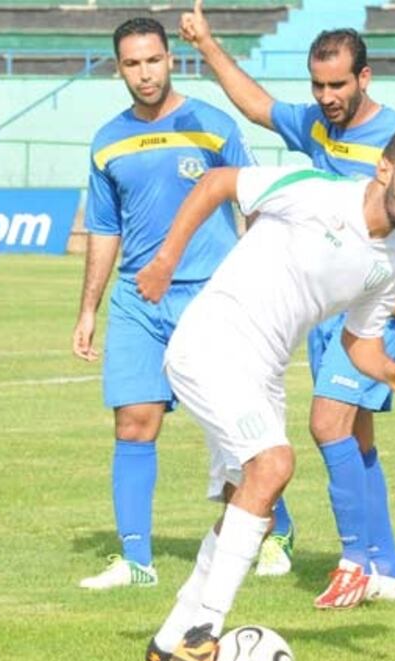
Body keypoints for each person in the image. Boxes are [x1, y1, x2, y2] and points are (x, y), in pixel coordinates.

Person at [180, 0, 395, 606]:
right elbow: (257, 105)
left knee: (326, 422)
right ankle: (387, 566)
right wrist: (207, 46)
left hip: (377, 297)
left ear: (364, 79)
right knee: (355, 434)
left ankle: (355, 561)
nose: (326, 95)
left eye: (337, 84)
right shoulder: (316, 124)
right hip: (322, 301)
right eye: (317, 84)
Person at [137, 123, 395, 661]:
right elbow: (216, 183)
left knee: (249, 499)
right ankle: (204, 631)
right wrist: (167, 261)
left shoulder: (392, 260)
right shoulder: (315, 192)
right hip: (214, 339)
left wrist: (393, 371)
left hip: (264, 369)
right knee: (275, 465)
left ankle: (171, 638)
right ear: (386, 169)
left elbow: (361, 344)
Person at [71, 18, 261, 591]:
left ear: (170, 59)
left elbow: (254, 208)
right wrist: (88, 309)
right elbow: (104, 231)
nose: (144, 72)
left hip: (211, 295)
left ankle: (273, 530)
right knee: (133, 423)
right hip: (137, 300)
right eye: (132, 64)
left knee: (235, 430)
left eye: (152, 60)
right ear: (118, 68)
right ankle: (136, 562)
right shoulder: (108, 141)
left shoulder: (213, 125)